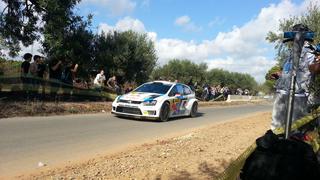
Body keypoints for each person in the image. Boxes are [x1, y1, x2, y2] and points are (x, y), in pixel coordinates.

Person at [270, 24, 316, 130]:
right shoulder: (291, 52)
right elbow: (291, 71)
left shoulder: (310, 52)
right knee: (276, 126)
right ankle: (277, 145)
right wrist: (279, 74)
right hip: (282, 92)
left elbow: (312, 69)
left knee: (295, 127)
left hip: (298, 95)